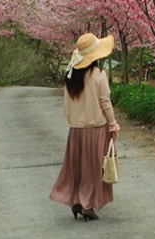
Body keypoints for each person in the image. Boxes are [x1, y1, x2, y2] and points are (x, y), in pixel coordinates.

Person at [50, 33, 120, 221]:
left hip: (76, 131)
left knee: (77, 168)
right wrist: (112, 124)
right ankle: (87, 205)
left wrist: (73, 120)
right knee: (93, 168)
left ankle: (76, 201)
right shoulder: (98, 75)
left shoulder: (71, 77)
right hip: (95, 129)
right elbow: (105, 102)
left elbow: (67, 105)